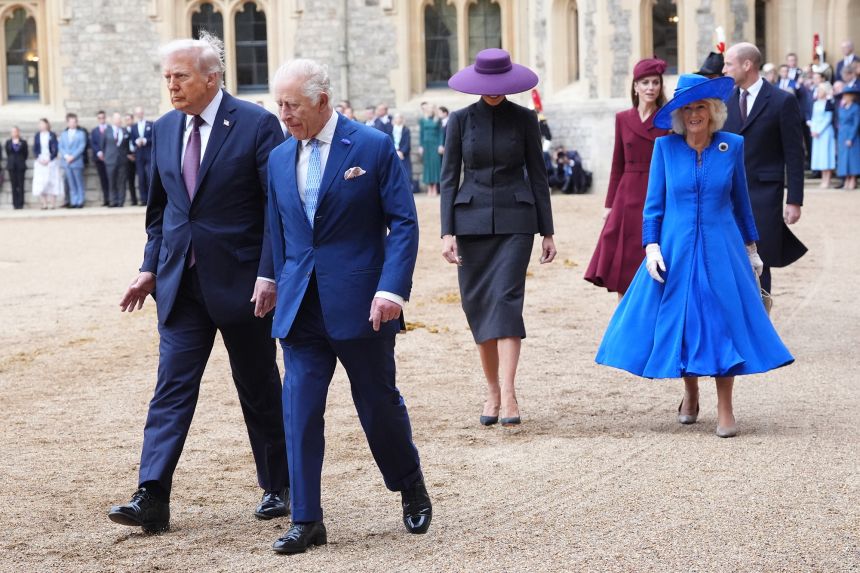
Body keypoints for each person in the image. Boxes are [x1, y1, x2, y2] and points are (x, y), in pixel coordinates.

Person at [108, 32, 289, 534]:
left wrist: (270, 273)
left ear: (212, 78)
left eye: (180, 76)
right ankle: (152, 494)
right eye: (167, 77)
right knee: (170, 389)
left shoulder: (256, 124)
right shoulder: (165, 129)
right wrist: (149, 267)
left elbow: (278, 209)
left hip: (244, 286)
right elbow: (160, 212)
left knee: (257, 386)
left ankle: (279, 485)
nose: (171, 86)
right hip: (180, 286)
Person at [267, 58, 431, 554]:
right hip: (301, 307)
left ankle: (410, 485)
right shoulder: (277, 158)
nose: (283, 114)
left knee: (378, 405)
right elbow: (278, 227)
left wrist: (391, 290)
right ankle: (306, 519)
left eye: (291, 105)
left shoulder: (373, 146)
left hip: (364, 304)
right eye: (278, 105)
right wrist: (268, 278)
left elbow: (403, 223)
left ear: (321, 100)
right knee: (298, 409)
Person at [595, 74, 794, 438]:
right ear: (678, 114)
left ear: (714, 110)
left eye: (700, 106)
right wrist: (651, 246)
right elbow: (653, 206)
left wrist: (752, 249)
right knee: (684, 322)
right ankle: (689, 392)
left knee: (721, 323)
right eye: (686, 108)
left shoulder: (731, 146)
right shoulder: (665, 150)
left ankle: (725, 407)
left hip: (722, 248)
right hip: (676, 248)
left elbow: (741, 203)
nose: (693, 114)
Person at [441, 48, 556, 427]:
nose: (492, 91)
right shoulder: (458, 121)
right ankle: (491, 390)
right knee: (477, 306)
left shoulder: (526, 119)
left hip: (516, 221)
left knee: (506, 301)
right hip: (470, 223)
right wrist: (446, 232)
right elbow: (447, 179)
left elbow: (538, 176)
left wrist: (548, 231)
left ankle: (509, 393)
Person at [723, 42, 806, 294]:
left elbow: (794, 154)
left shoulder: (783, 101)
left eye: (728, 64)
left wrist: (794, 200)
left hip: (765, 195)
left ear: (747, 65)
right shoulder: (724, 102)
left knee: (760, 261)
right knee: (730, 260)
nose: (724, 69)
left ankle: (762, 322)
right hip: (727, 194)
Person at [584, 58, 670, 297]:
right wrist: (609, 204)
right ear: (635, 87)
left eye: (655, 82)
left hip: (657, 192)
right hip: (626, 194)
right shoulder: (623, 118)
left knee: (653, 254)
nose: (651, 87)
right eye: (645, 83)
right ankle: (625, 318)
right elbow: (617, 164)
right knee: (624, 262)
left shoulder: (668, 120)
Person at [809, 82, 836, 188]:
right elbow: (813, 118)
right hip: (816, 133)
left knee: (826, 155)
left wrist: (819, 130)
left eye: (820, 90)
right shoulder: (816, 103)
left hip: (825, 132)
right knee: (819, 155)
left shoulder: (829, 102)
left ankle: (827, 179)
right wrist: (813, 129)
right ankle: (822, 178)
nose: (818, 92)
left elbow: (828, 119)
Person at [58, 113, 87, 208]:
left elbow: (81, 146)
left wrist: (73, 156)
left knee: (79, 182)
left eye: (74, 122)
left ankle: (80, 200)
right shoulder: (63, 134)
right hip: (66, 162)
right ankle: (74, 201)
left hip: (76, 161)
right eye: (70, 122)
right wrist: (66, 156)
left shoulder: (81, 133)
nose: (72, 124)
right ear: (67, 123)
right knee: (71, 183)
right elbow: (61, 146)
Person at [31, 119, 61, 210]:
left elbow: (55, 148)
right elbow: (35, 149)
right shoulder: (37, 136)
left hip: (50, 160)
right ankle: (44, 203)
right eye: (40, 124)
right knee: (41, 182)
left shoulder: (52, 135)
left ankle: (52, 203)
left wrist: (50, 159)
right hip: (40, 160)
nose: (41, 126)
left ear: (47, 125)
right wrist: (39, 159)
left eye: (43, 124)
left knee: (52, 181)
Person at [103, 112, 130, 207]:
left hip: (122, 160)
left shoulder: (125, 131)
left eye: (119, 119)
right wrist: (106, 157)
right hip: (110, 160)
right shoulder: (107, 131)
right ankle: (112, 201)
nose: (118, 121)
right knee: (111, 182)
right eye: (116, 119)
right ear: (112, 120)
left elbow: (127, 146)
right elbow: (103, 145)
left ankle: (120, 201)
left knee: (121, 181)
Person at [836, 85, 860, 190]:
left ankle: (853, 179)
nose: (845, 97)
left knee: (852, 158)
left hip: (852, 134)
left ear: (852, 96)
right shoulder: (842, 107)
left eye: (847, 95)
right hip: (842, 134)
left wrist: (851, 138)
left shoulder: (856, 107)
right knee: (843, 158)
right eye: (844, 95)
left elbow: (856, 124)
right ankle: (846, 178)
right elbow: (839, 121)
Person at [419, 101, 443, 196]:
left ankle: (435, 188)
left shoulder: (438, 120)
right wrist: (421, 146)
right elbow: (421, 133)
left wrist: (441, 145)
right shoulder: (422, 120)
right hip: (426, 145)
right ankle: (429, 188)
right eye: (428, 108)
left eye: (431, 108)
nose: (430, 110)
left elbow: (441, 133)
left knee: (436, 166)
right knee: (427, 166)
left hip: (435, 144)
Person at [131, 106, 153, 205]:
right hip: (139, 154)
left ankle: (151, 199)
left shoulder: (151, 124)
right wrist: (136, 141)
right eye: (137, 113)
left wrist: (145, 141)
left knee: (149, 176)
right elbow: (132, 140)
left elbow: (154, 139)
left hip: (148, 154)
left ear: (143, 113)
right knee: (141, 177)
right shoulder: (133, 127)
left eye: (140, 112)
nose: (139, 114)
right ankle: (143, 199)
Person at [90, 111, 111, 206]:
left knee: (111, 180)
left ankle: (112, 199)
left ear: (105, 118)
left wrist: (106, 154)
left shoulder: (110, 129)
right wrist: (99, 152)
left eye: (103, 117)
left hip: (110, 158)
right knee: (103, 180)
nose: (101, 119)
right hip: (99, 159)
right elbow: (93, 143)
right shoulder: (94, 131)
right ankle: (106, 199)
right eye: (99, 118)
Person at [5, 127, 28, 209]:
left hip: (21, 165)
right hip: (12, 166)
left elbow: (25, 154)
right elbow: (8, 153)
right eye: (12, 132)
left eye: (15, 131)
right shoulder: (8, 142)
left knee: (21, 185)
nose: (14, 133)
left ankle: (21, 203)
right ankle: (15, 204)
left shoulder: (23, 142)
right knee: (14, 185)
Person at [123, 113, 139, 205]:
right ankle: (134, 200)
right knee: (130, 180)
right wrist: (127, 155)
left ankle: (144, 199)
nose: (127, 121)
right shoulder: (123, 131)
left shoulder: (136, 129)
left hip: (138, 156)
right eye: (126, 119)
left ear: (132, 120)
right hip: (128, 158)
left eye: (129, 119)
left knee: (142, 178)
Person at [391, 112, 412, 182]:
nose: (398, 119)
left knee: (405, 172)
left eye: (399, 117)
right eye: (396, 118)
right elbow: (389, 141)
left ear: (402, 119)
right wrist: (394, 151)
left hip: (403, 154)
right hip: (393, 152)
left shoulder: (406, 130)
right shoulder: (391, 129)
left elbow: (407, 142)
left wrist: (401, 152)